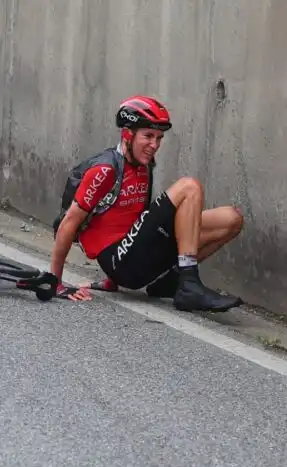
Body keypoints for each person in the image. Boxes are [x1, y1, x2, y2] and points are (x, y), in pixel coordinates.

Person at [50, 95, 244, 312]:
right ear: (127, 134)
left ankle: (170, 282)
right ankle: (190, 285)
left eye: (159, 138)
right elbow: (69, 222)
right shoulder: (105, 170)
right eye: (148, 136)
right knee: (189, 187)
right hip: (122, 264)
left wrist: (109, 283)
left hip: (136, 252)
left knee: (231, 219)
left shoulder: (143, 165)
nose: (155, 145)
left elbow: (132, 218)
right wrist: (55, 283)